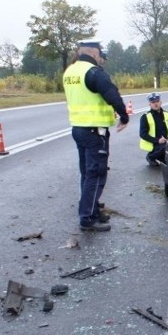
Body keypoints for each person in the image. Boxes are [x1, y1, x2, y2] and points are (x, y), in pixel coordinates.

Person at [63, 39, 129, 232]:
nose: (102, 60)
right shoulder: (93, 72)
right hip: (94, 131)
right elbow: (111, 93)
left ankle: (90, 209)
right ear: (94, 54)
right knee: (96, 174)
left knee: (86, 173)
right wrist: (124, 115)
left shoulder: (70, 72)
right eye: (101, 56)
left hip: (78, 128)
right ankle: (87, 218)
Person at [139, 92, 168, 166]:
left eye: (157, 101)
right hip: (154, 143)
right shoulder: (145, 117)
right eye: (153, 102)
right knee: (165, 147)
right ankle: (151, 157)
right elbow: (142, 134)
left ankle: (162, 158)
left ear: (161, 102)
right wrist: (157, 140)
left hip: (166, 141)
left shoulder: (167, 114)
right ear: (150, 104)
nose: (156, 104)